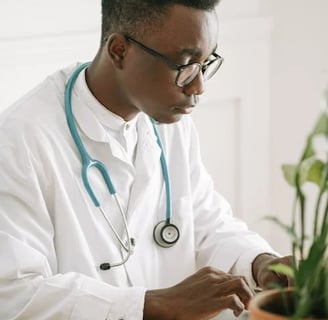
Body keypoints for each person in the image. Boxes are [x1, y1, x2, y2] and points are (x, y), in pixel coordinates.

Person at [0, 1, 292, 319]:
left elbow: (206, 222)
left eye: (205, 64)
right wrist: (151, 304)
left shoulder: (169, 121)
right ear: (119, 51)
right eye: (184, 65)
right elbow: (16, 294)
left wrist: (260, 262)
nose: (199, 87)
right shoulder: (19, 141)